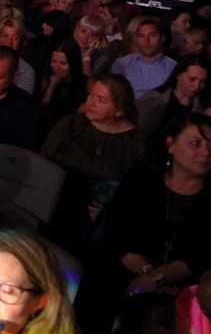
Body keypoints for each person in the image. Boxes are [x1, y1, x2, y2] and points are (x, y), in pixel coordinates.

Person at [78, 114, 211, 334]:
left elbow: (202, 255)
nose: (205, 153)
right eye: (195, 143)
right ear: (171, 144)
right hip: (123, 271)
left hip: (181, 288)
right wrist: (149, 275)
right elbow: (116, 235)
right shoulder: (142, 179)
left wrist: (156, 279)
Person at [42, 74, 146, 244]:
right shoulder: (71, 124)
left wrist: (111, 210)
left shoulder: (135, 142)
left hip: (97, 221)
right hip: (56, 206)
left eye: (101, 100)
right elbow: (43, 163)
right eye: (91, 95)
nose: (91, 103)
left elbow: (136, 190)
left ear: (119, 110)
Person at [137, 56, 210, 142]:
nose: (197, 86)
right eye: (192, 79)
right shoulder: (155, 98)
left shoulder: (200, 104)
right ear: (178, 75)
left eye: (202, 81)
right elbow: (140, 131)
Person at [111, 17, 178, 99]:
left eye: (152, 35)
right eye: (141, 36)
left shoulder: (173, 68)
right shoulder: (121, 64)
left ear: (162, 39)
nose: (146, 41)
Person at [38, 38, 89, 127]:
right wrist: (51, 86)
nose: (57, 67)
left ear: (73, 63)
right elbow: (40, 111)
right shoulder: (47, 78)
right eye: (54, 61)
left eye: (63, 63)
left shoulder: (84, 83)